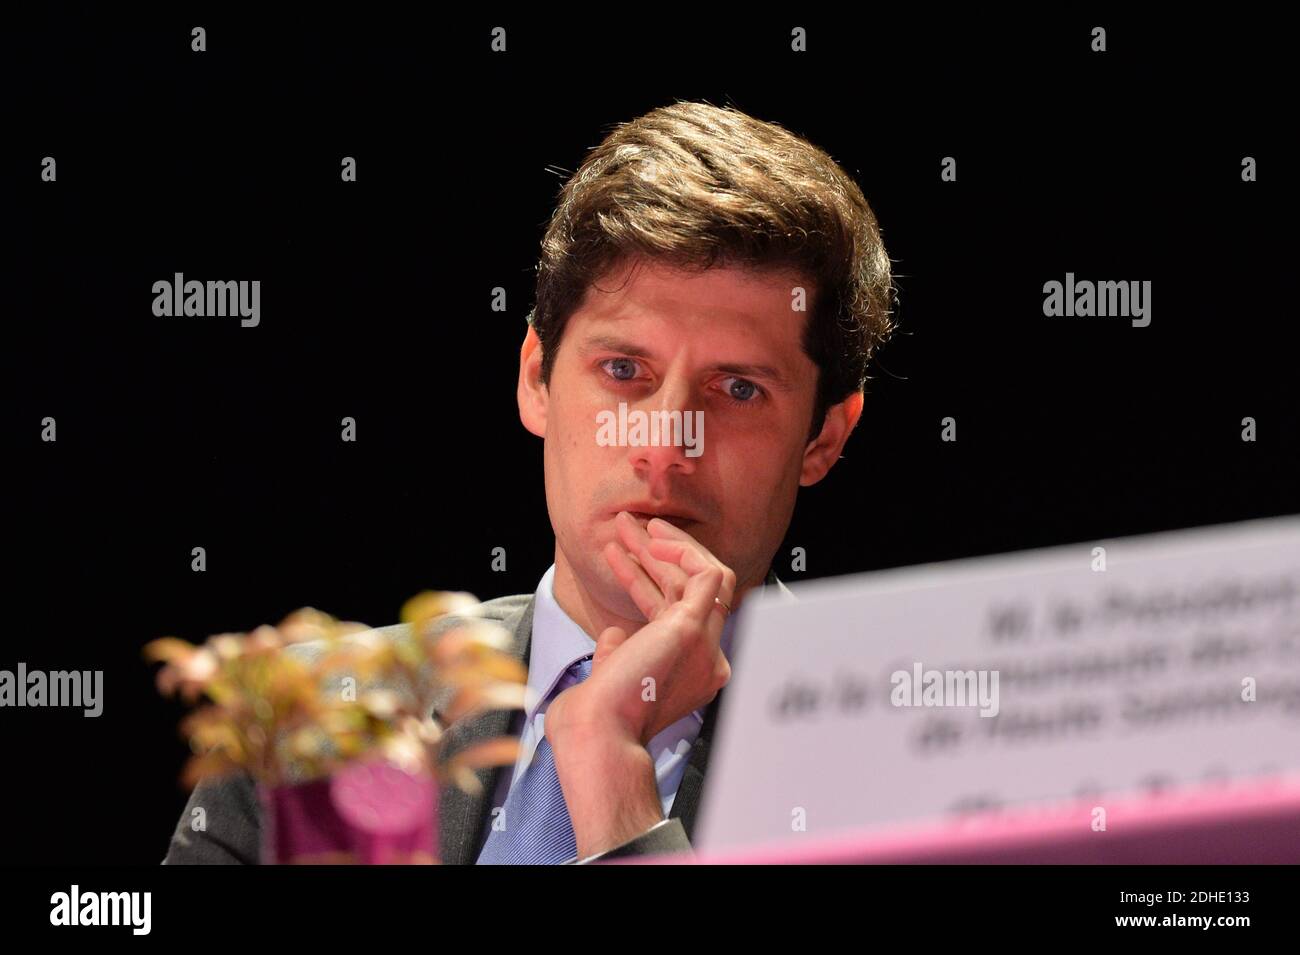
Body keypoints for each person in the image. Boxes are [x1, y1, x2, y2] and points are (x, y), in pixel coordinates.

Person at [163, 99, 895, 864]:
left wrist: (613, 780)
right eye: (623, 370)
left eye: (738, 389)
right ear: (536, 379)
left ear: (824, 437)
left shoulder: (898, 764)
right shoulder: (307, 722)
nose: (664, 442)